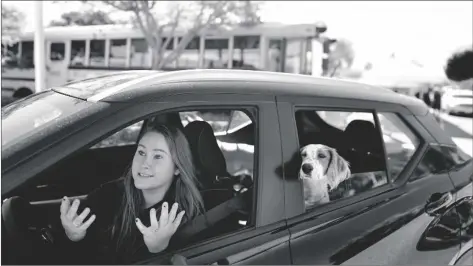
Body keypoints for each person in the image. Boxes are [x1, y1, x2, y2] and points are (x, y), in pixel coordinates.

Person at [58, 123, 205, 264]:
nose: (144, 163)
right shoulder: (108, 194)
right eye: (141, 152)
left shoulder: (185, 216)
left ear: (177, 168)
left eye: (158, 156)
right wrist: (74, 237)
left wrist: (158, 250)